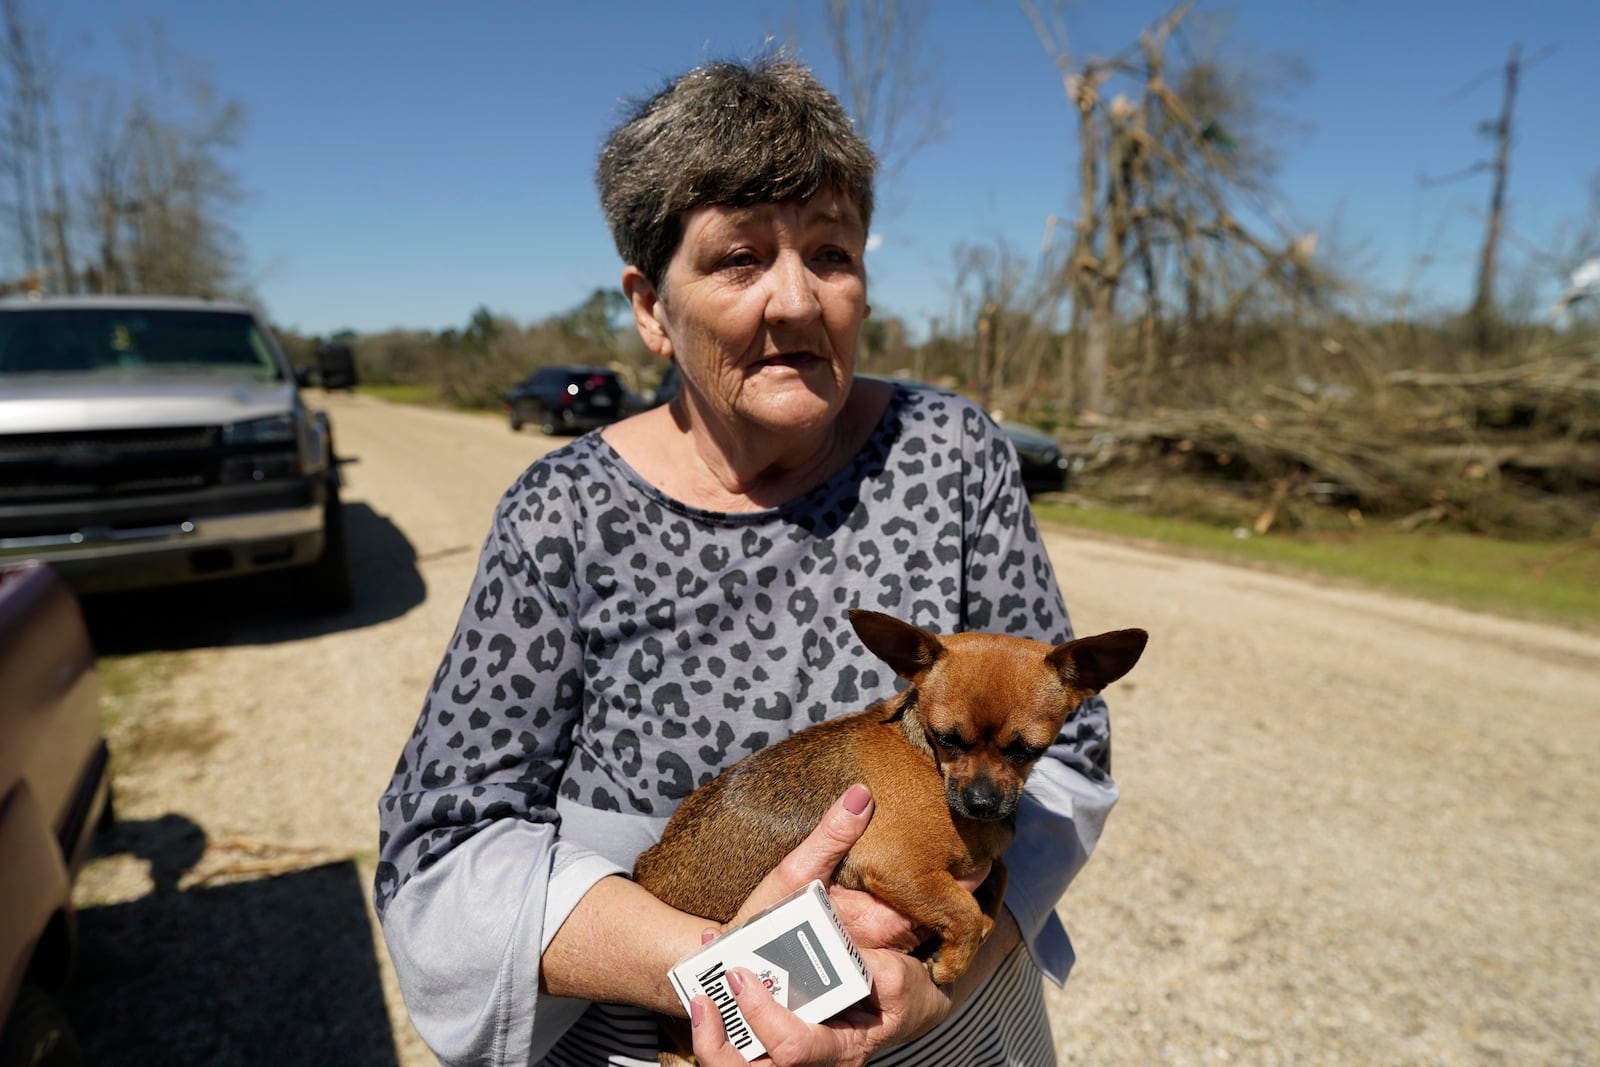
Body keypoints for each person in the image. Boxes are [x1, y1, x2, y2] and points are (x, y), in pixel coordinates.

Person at [374, 54, 1117, 1067]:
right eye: (738, 259)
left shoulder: (950, 453)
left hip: (941, 1028)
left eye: (830, 253)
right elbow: (446, 839)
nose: (796, 300)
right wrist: (724, 965)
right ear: (649, 307)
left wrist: (938, 987)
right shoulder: (563, 513)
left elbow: (1070, 744)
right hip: (663, 1034)